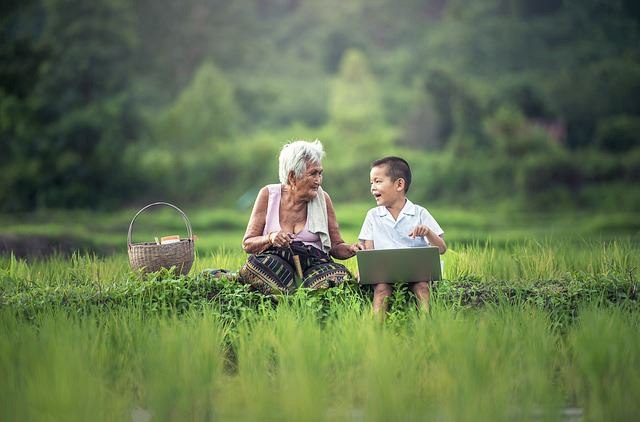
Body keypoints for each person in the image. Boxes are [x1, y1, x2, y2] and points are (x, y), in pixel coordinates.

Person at [239, 140, 361, 294]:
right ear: (292, 176)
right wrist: (270, 238)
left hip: (314, 264)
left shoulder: (323, 199)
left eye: (320, 173)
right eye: (313, 174)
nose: (318, 180)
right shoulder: (268, 195)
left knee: (339, 276)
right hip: (278, 263)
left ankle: (293, 294)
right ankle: (294, 296)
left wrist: (351, 249)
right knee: (257, 266)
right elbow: (248, 244)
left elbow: (336, 247)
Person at [358, 156, 447, 316]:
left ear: (399, 184)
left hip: (417, 273)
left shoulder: (419, 213)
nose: (373, 188)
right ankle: (376, 329)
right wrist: (365, 267)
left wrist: (427, 232)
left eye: (378, 182)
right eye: (371, 183)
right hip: (384, 275)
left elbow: (441, 248)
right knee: (381, 290)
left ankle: (426, 325)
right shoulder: (372, 216)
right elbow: (368, 250)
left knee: (422, 288)